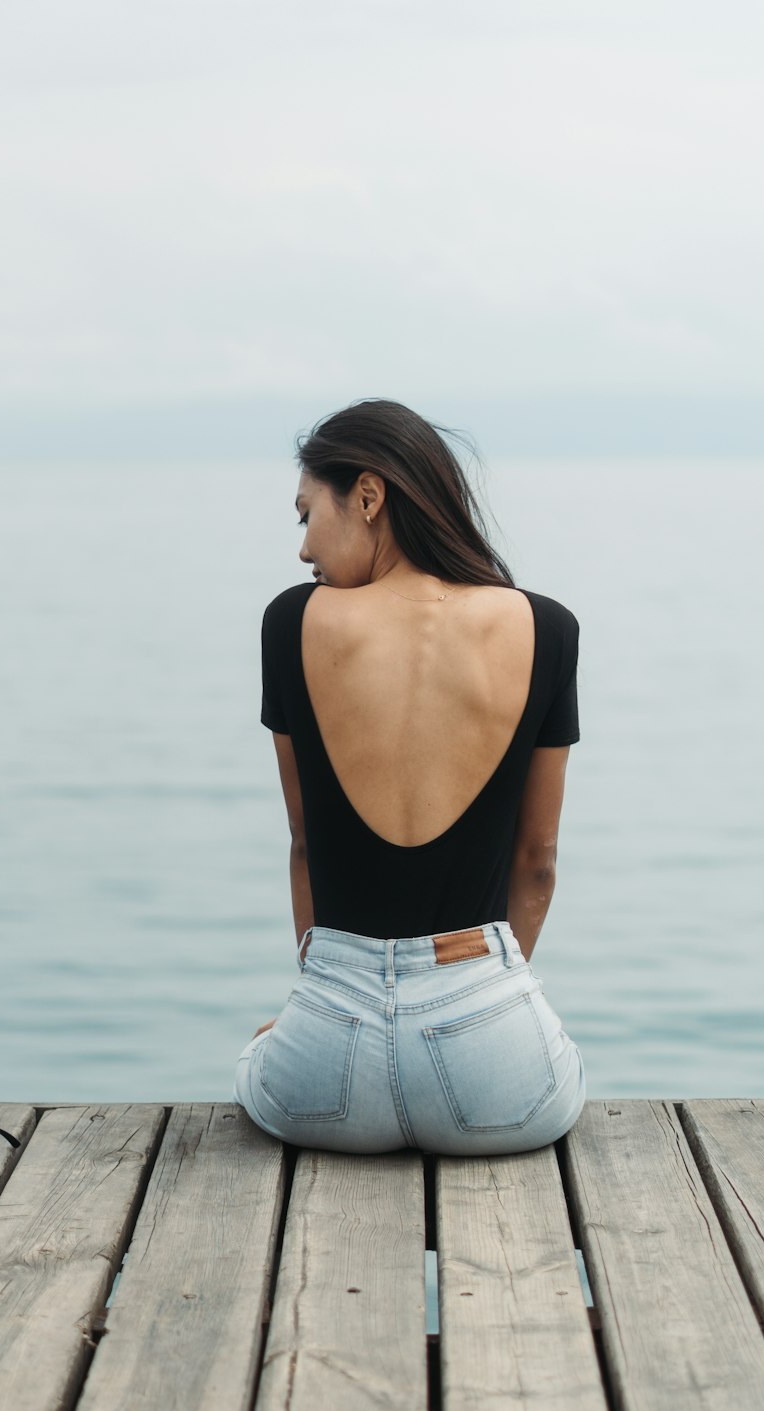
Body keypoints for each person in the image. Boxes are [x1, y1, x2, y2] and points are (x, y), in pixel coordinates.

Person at [232, 399, 585, 1154]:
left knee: (256, 1061)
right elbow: (538, 862)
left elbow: (303, 844)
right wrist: (480, 1007)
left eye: (305, 516)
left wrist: (318, 1006)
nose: (303, 551)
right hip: (497, 1069)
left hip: (328, 1064)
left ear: (367, 495)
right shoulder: (547, 627)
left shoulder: (292, 622)